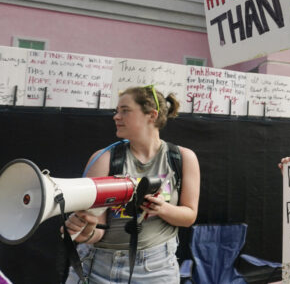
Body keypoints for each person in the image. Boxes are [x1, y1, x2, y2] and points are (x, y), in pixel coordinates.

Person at [65, 85, 201, 283]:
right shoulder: (104, 159)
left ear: (151, 115)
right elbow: (97, 230)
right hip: (97, 268)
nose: (116, 117)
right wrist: (84, 232)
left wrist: (162, 209)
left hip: (156, 271)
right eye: (116, 111)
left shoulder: (182, 158)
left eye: (125, 111)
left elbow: (189, 216)